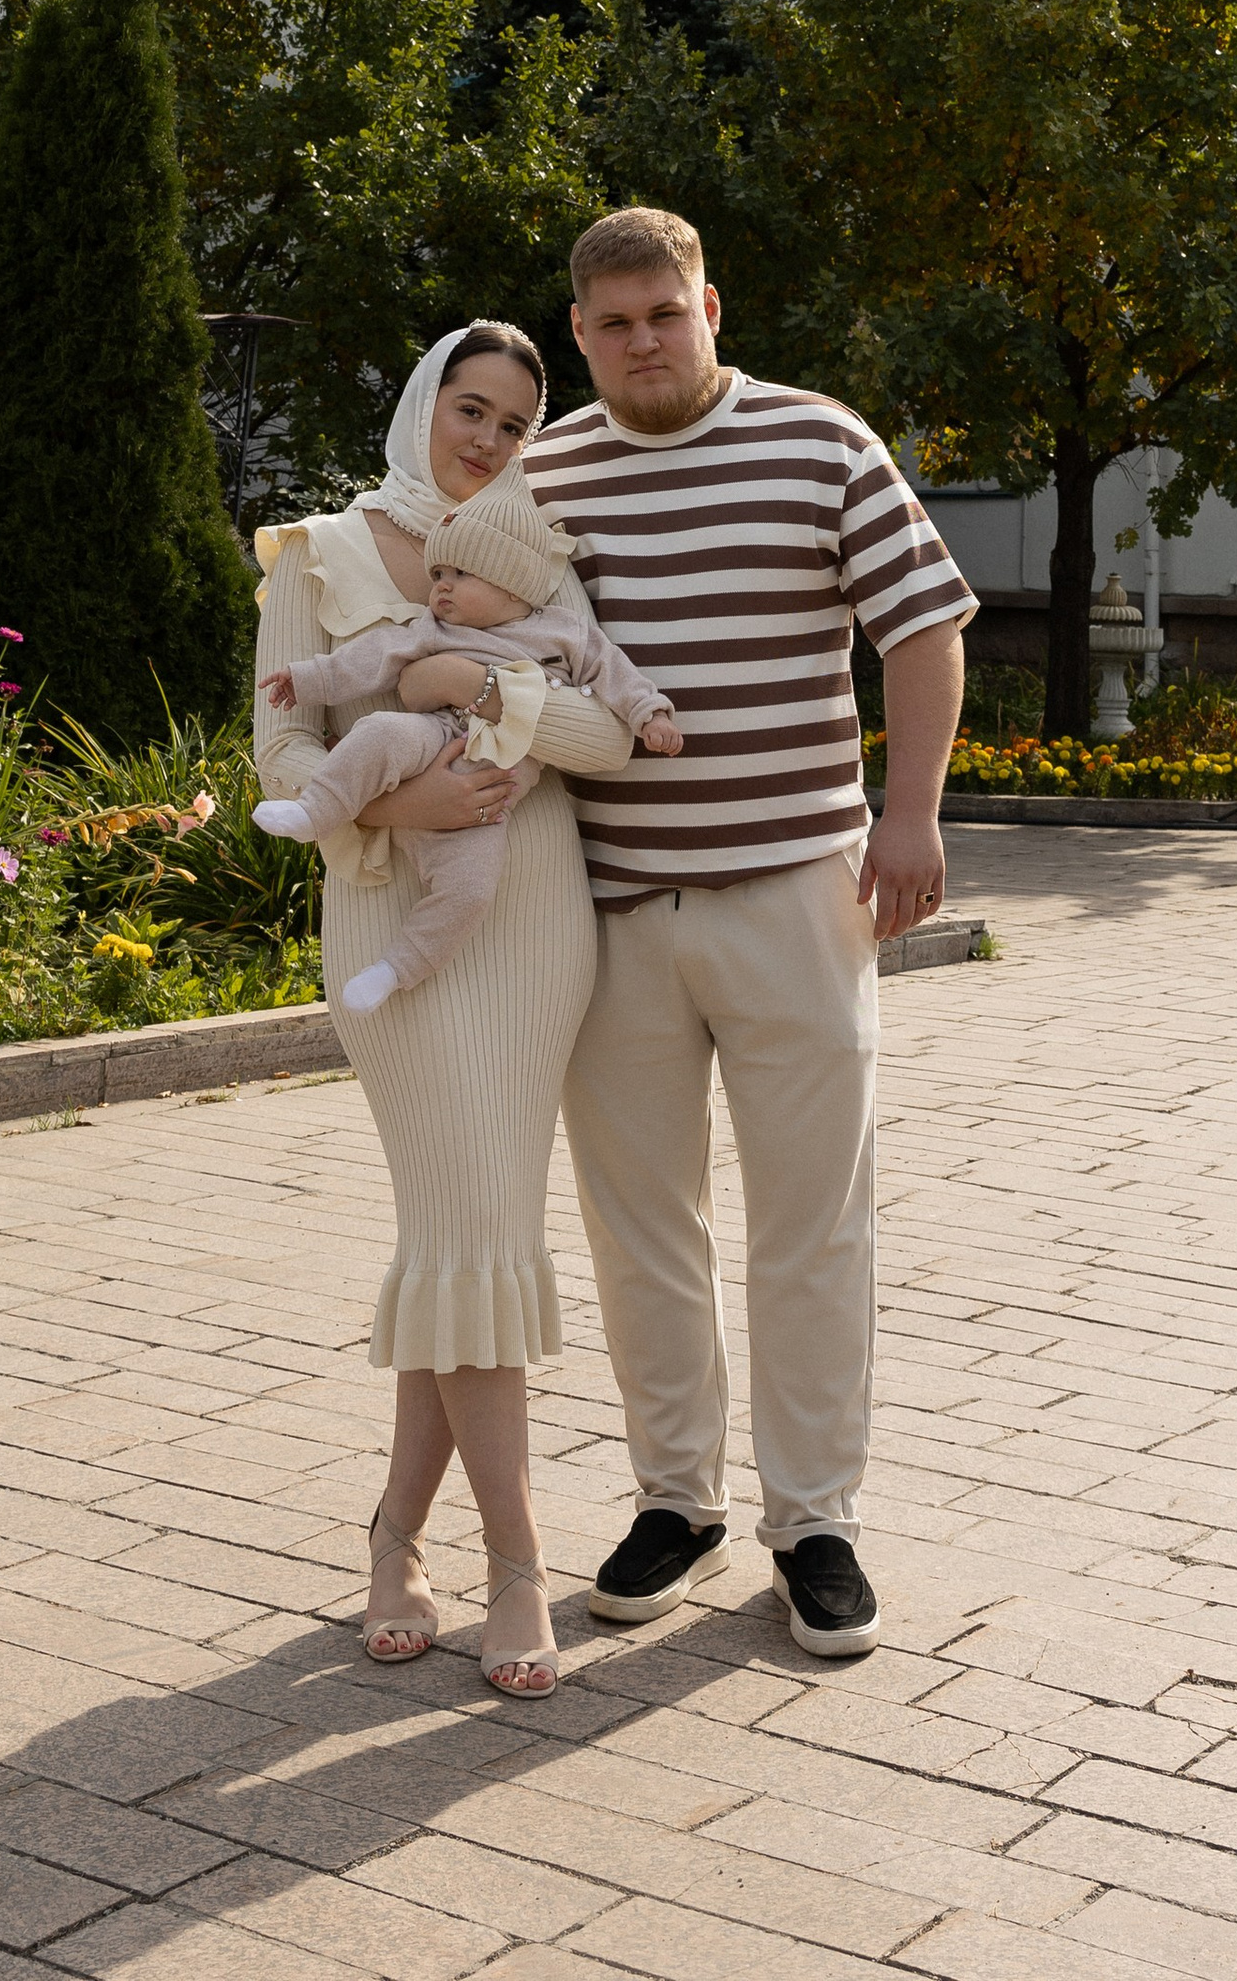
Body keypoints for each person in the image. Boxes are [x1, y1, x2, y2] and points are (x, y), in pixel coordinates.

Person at [526, 205, 972, 1659]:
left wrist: (910, 816)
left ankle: (816, 1520)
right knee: (639, 1225)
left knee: (810, 1219)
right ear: (579, 334)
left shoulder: (820, 443)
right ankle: (678, 1501)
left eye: (665, 310)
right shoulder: (545, 476)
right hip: (611, 910)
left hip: (796, 889)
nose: (642, 341)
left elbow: (921, 627)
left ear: (713, 303)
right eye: (612, 323)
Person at [252, 321, 636, 1696]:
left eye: (515, 425)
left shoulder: (540, 566)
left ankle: (396, 1538)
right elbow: (281, 747)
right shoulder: (315, 553)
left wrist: (472, 683)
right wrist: (404, 789)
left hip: (533, 929)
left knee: (461, 1239)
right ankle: (521, 1566)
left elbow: (603, 741)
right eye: (470, 409)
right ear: (424, 403)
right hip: (384, 921)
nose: (486, 440)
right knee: (469, 1225)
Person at [254, 460, 680, 1012]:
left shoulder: (563, 630)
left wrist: (652, 714)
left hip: (495, 789)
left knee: (471, 890)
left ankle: (396, 969)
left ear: (510, 582)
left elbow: (613, 675)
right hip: (437, 735)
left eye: (460, 575)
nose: (441, 588)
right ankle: (315, 810)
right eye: (437, 575)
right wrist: (306, 678)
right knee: (379, 730)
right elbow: (372, 659)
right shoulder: (436, 629)